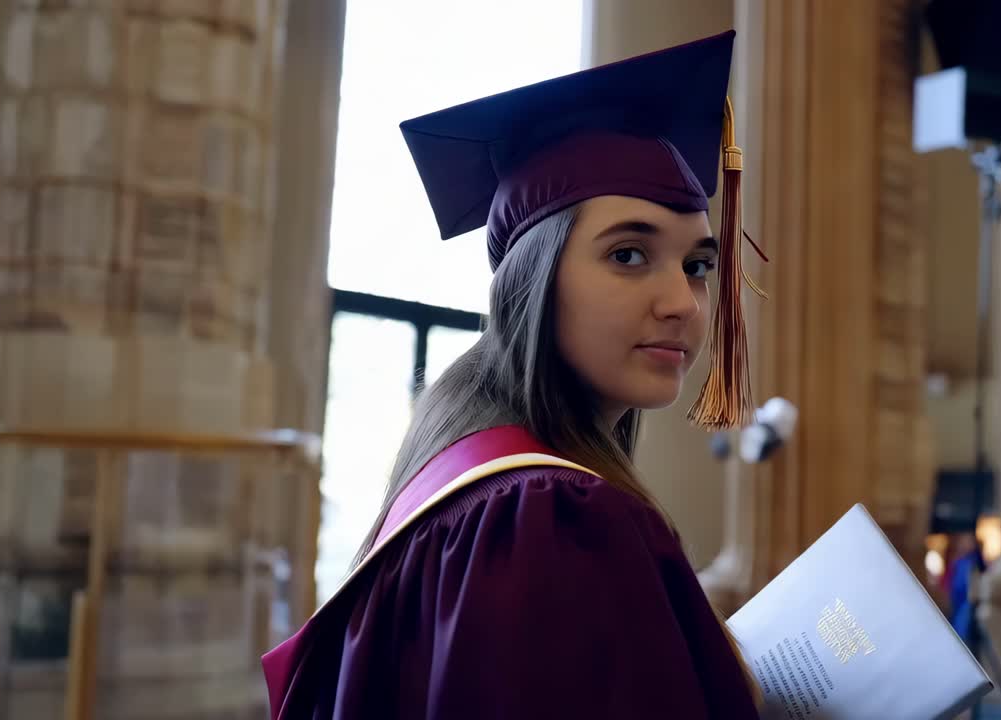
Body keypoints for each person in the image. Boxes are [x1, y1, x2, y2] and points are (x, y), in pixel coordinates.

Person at [262, 30, 765, 719]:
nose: (682, 302)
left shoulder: (462, 466)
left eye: (697, 265)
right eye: (627, 255)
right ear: (531, 282)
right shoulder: (549, 518)